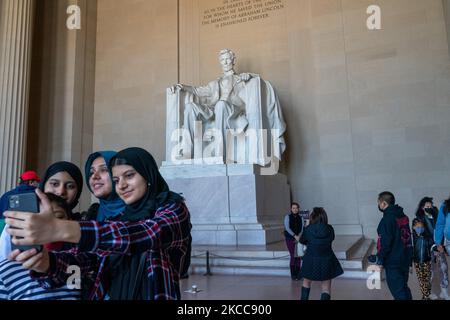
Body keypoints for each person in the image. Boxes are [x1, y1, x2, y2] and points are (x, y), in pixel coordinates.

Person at [5, 147, 192, 300]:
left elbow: (146, 234)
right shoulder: (116, 220)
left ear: (148, 176)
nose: (122, 185)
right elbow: (88, 263)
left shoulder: (173, 208)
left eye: (129, 176)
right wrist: (49, 264)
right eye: (117, 179)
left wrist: (61, 228)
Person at [169, 49, 286, 164]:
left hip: (234, 110)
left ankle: (221, 152)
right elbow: (197, 90)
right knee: (190, 107)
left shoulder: (241, 79)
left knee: (221, 105)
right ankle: (187, 151)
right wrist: (182, 87)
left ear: (233, 60)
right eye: (222, 60)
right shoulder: (215, 83)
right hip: (214, 109)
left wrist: (250, 76)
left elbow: (259, 82)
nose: (225, 62)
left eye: (227, 59)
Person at [0, 193, 80, 300]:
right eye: (36, 222)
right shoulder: (5, 270)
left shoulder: (81, 261)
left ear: (70, 222)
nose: (48, 227)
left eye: (59, 217)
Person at [0, 162, 83, 261]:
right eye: (55, 184)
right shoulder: (19, 223)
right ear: (43, 185)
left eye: (70, 186)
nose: (61, 191)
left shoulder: (85, 228)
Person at [375, 191, 413, 300]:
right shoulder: (403, 216)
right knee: (403, 289)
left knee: (399, 292)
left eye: (378, 202)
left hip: (393, 262)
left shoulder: (387, 220)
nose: (378, 205)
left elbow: (385, 243)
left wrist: (380, 260)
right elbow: (408, 239)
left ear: (383, 203)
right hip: (404, 259)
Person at [299, 207, 343, 300]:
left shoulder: (308, 229)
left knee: (306, 283)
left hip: (310, 259)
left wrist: (307, 227)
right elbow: (331, 238)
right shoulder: (330, 229)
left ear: (312, 217)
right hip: (326, 260)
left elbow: (302, 240)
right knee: (326, 288)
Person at [415, 197, 449, 300]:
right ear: (422, 208)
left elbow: (442, 229)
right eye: (427, 206)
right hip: (428, 251)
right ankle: (429, 292)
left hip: (439, 249)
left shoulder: (437, 216)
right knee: (430, 272)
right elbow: (420, 236)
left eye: (431, 206)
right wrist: (433, 245)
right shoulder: (418, 220)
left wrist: (441, 245)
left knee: (443, 270)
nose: (429, 208)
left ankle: (444, 291)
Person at [81, 151, 125, 222]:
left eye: (103, 170)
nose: (94, 176)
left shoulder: (138, 214)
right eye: (91, 172)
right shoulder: (92, 215)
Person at [411, 219, 433, 300]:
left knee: (427, 278)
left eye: (421, 227)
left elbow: (432, 244)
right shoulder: (412, 237)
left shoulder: (426, 236)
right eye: (418, 227)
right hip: (417, 262)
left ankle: (427, 293)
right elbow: (411, 250)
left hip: (426, 261)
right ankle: (425, 295)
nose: (420, 228)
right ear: (413, 227)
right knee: (421, 279)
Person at [434, 195, 450, 300]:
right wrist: (438, 242)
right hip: (448, 242)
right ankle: (444, 290)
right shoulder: (445, 206)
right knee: (443, 267)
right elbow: (440, 224)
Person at [284, 202, 304, 280]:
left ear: (298, 209)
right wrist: (294, 236)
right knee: (293, 255)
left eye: (296, 208)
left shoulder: (301, 218)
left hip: (299, 238)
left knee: (298, 256)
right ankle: (293, 275)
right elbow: (287, 228)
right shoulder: (287, 217)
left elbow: (302, 229)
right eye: (293, 208)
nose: (295, 209)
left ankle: (298, 274)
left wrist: (298, 236)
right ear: (291, 209)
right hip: (290, 238)